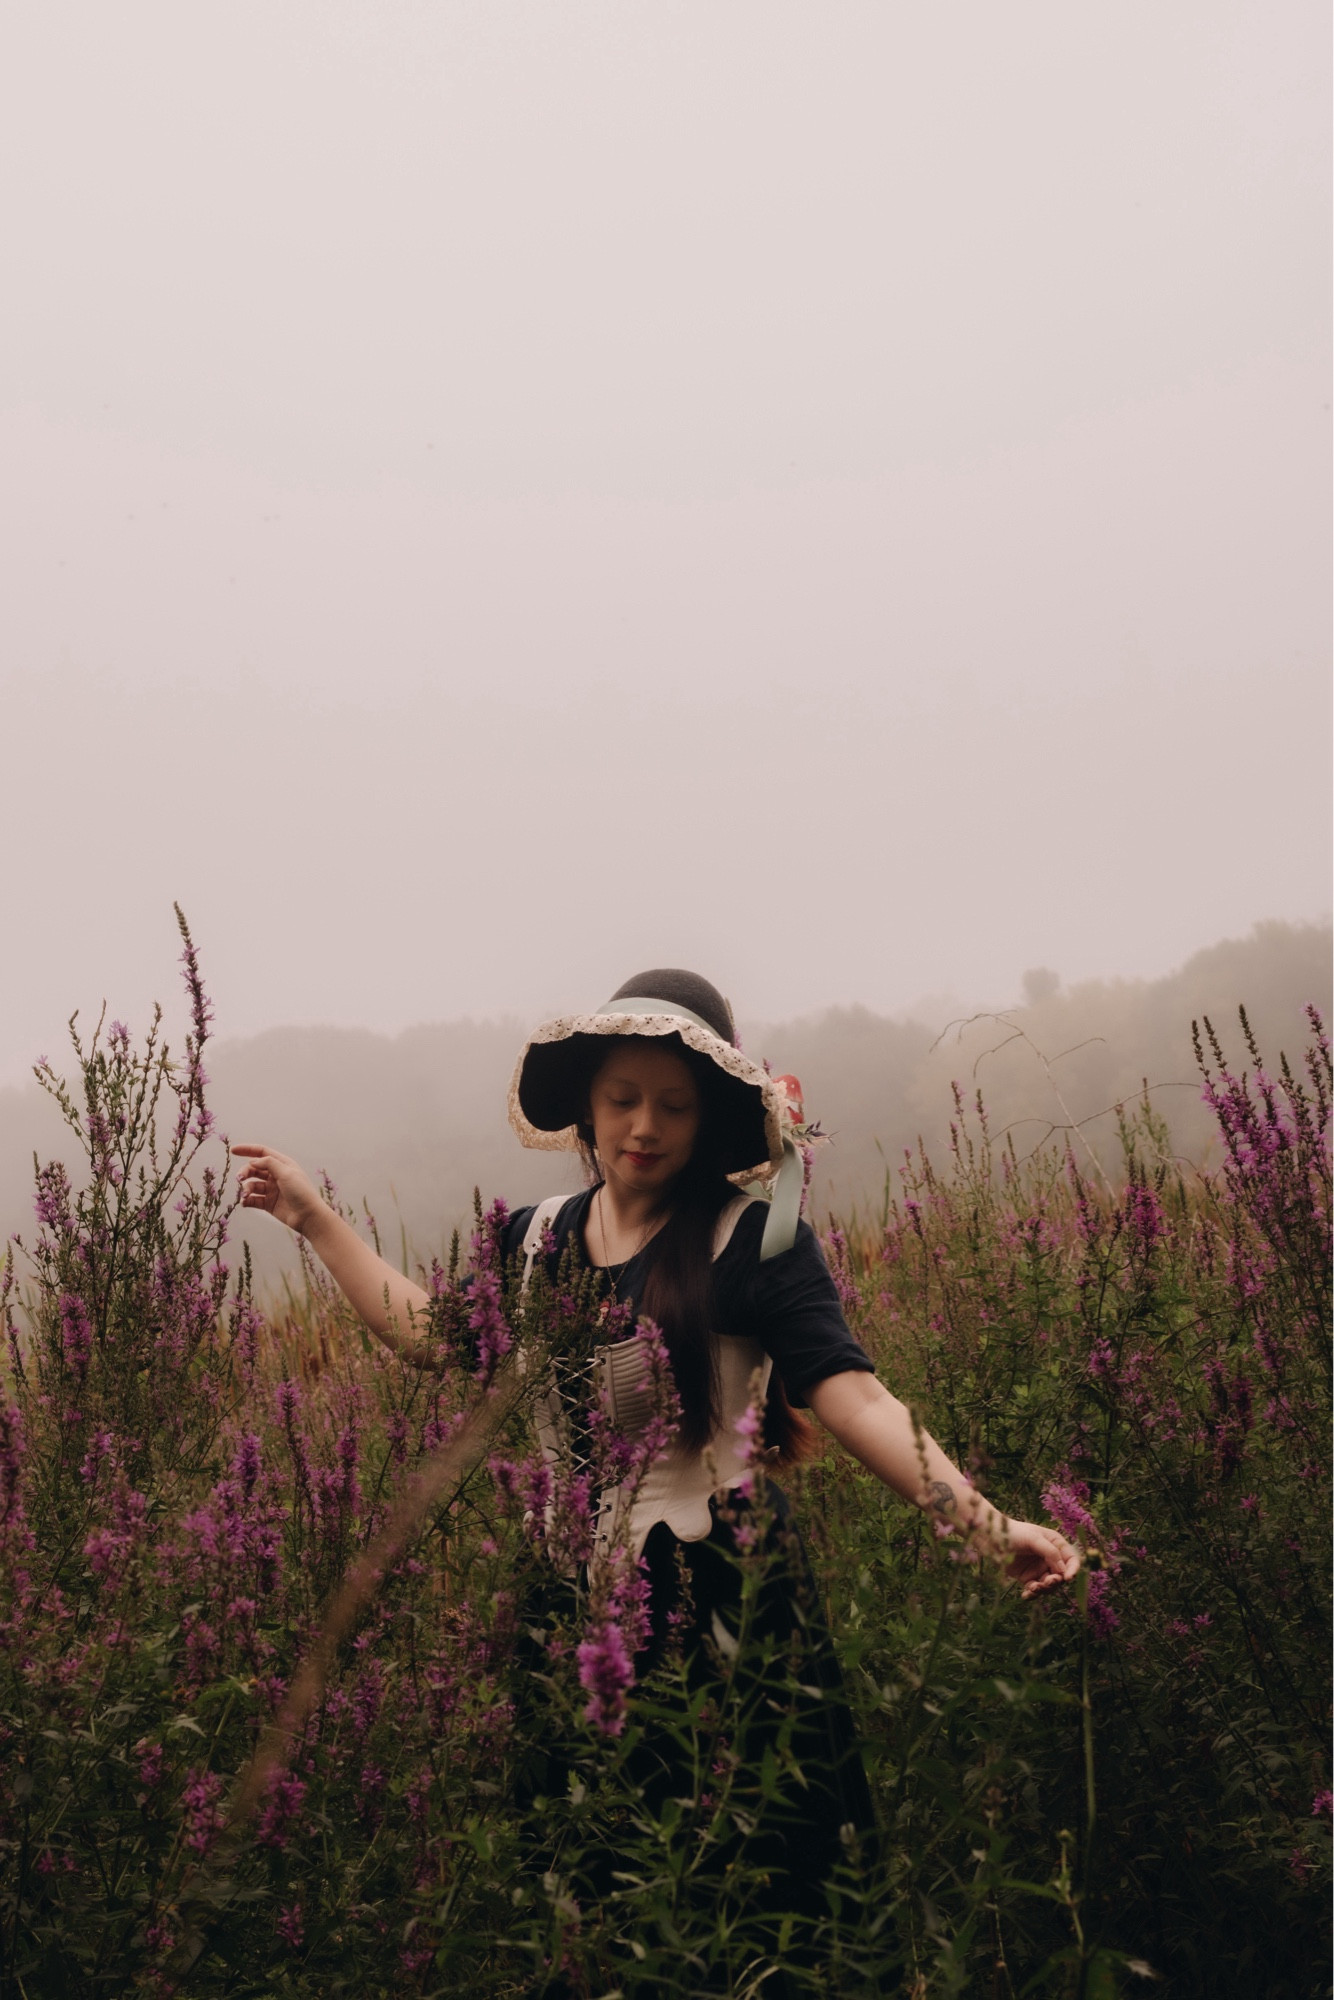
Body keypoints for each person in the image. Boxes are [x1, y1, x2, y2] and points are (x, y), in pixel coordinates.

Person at [234, 967, 1079, 1932]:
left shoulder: (752, 1242)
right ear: (586, 1113)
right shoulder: (532, 1243)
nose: (644, 1126)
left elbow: (855, 1398)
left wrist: (983, 1523)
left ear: (709, 1117)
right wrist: (313, 1217)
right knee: (590, 1889)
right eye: (623, 1099)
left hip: (723, 1599)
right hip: (567, 1605)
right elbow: (432, 1337)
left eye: (674, 1105)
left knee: (754, 1887)